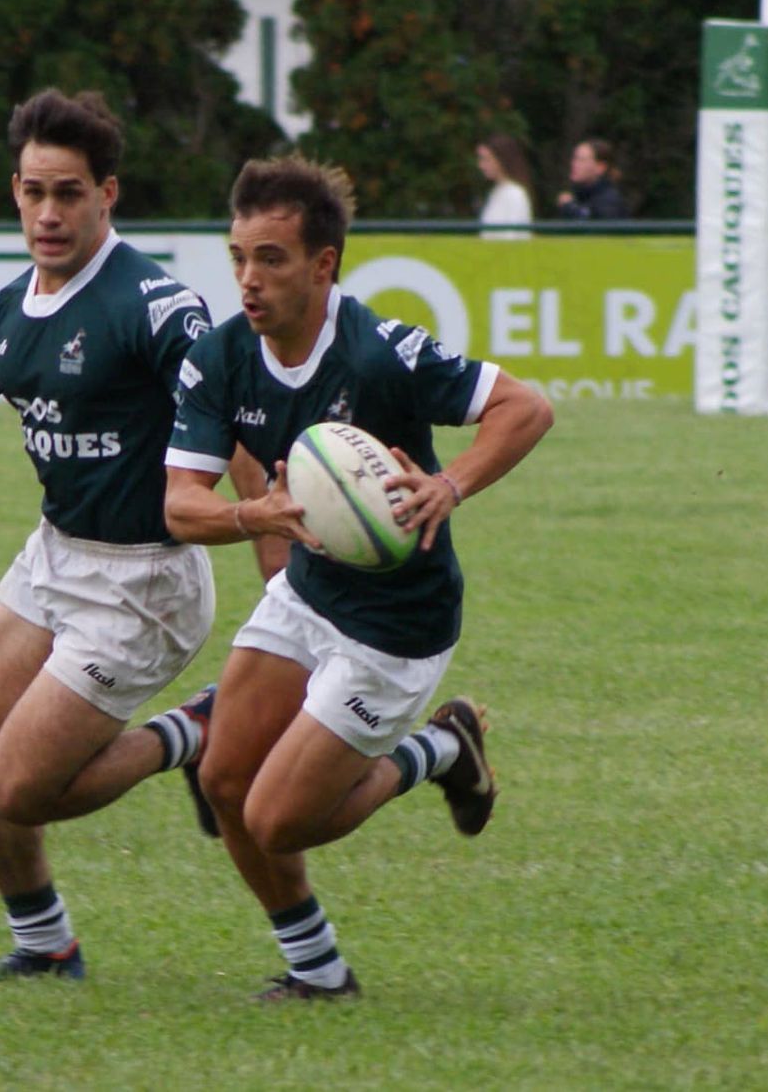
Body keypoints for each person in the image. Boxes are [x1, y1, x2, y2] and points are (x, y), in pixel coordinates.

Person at [0, 88, 237, 982]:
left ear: (109, 194)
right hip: (56, 555)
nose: (49, 213)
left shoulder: (154, 304)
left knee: (18, 786)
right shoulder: (2, 315)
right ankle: (45, 943)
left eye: (69, 193)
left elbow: (230, 414)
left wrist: (270, 541)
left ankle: (195, 731)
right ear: (14, 193)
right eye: (33, 192)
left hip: (145, 579)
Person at [164, 154, 554, 1000]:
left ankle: (439, 747)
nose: (248, 279)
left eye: (270, 257)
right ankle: (319, 970)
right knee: (223, 780)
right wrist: (249, 517)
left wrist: (449, 484)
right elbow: (179, 504)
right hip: (306, 593)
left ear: (324, 264)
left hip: (398, 626)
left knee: (277, 816)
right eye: (237, 256)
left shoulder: (381, 353)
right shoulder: (222, 357)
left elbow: (527, 407)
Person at [476, 133, 534, 239]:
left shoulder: (515, 194)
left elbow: (511, 236)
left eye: (486, 159)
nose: (481, 165)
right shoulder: (496, 192)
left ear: (500, 160)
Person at [555, 137, 629, 220]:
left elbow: (597, 227)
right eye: (574, 158)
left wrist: (570, 208)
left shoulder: (609, 201)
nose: (574, 164)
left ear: (600, 167)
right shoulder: (577, 196)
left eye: (582, 160)